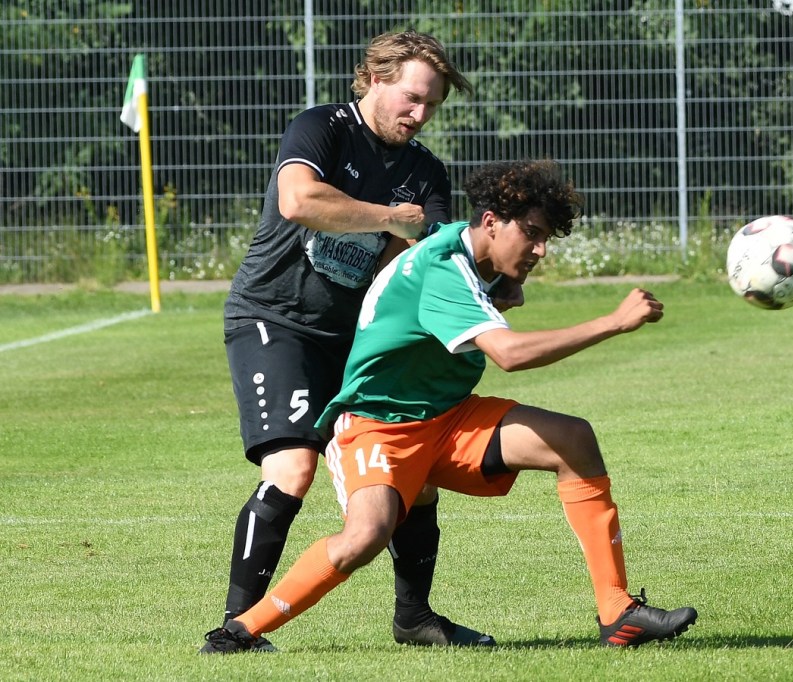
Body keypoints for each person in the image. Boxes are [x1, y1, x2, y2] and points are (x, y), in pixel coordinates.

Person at [201, 159, 699, 652]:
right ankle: (240, 631)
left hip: (447, 419)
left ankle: (617, 611)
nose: (541, 250)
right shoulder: (444, 268)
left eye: (546, 238)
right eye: (531, 234)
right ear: (491, 222)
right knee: (365, 536)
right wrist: (614, 322)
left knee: (573, 439)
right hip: (378, 425)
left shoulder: (468, 252)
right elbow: (509, 354)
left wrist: (501, 283)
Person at [201, 30, 495, 654]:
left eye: (432, 105)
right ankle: (237, 627)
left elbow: (418, 263)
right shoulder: (322, 128)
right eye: (412, 98)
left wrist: (494, 278)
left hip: (355, 341)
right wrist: (389, 216)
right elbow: (298, 200)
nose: (420, 114)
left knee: (413, 470)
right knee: (294, 467)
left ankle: (414, 619)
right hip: (275, 319)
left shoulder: (426, 172)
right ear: (376, 79)